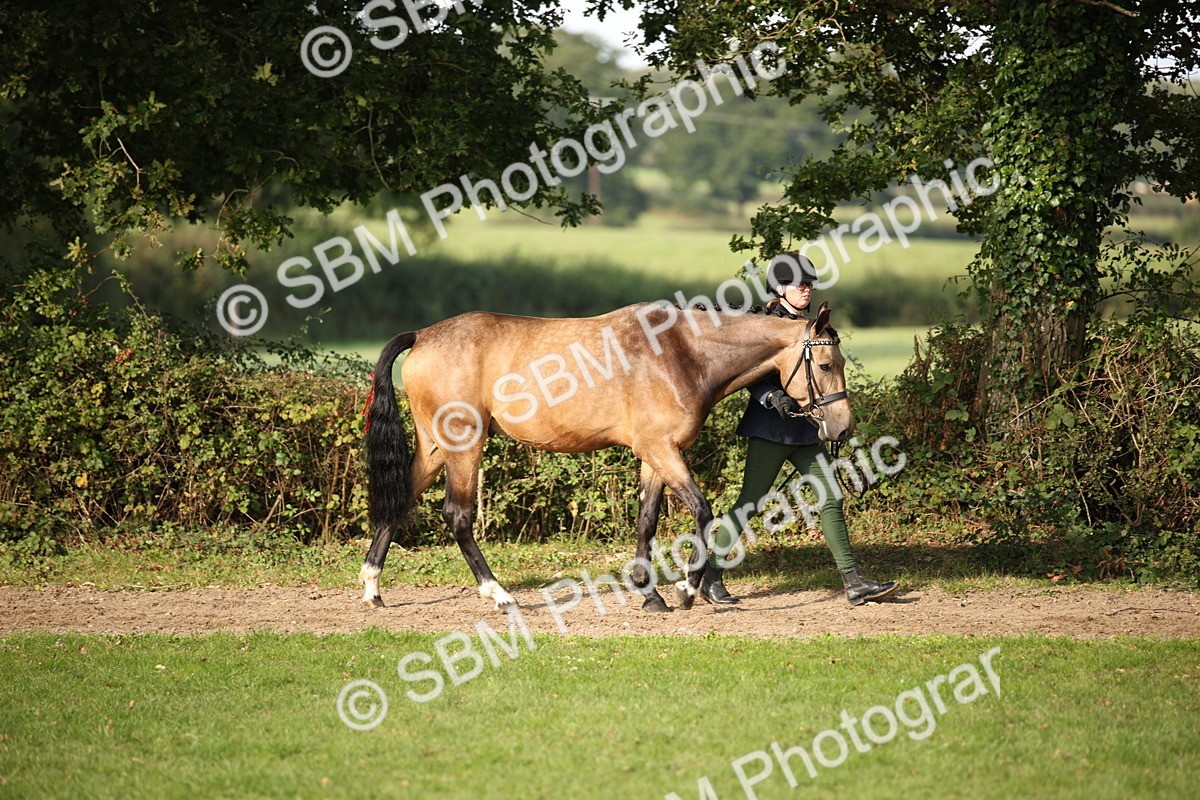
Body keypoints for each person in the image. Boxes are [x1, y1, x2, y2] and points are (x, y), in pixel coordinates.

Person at [698, 252, 898, 606]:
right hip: (770, 430)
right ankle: (710, 575)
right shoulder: (763, 323)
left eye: (809, 285)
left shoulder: (815, 329)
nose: (807, 290)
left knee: (831, 497)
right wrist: (770, 395)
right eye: (799, 285)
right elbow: (744, 372)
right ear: (779, 288)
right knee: (751, 502)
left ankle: (853, 581)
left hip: (807, 432)